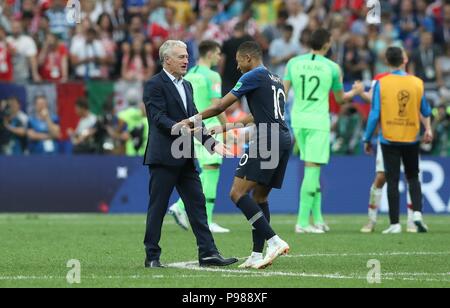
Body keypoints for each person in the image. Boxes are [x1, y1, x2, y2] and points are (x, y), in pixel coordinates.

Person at [176, 41, 291, 270]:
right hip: (283, 138)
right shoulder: (275, 79)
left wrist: (191, 120)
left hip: (266, 139)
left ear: (248, 58)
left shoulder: (252, 77)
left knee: (237, 193)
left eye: (239, 62)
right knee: (260, 198)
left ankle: (274, 241)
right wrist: (226, 128)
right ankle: (257, 255)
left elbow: (219, 106)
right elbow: (258, 115)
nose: (237, 67)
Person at [142, 40, 237, 268]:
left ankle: (208, 253)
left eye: (186, 56)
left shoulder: (187, 86)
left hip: (186, 156)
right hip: (164, 157)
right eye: (181, 57)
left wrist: (211, 143)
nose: (186, 60)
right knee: (158, 207)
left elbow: (196, 119)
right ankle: (152, 256)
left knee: (197, 204)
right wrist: (181, 127)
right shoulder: (154, 85)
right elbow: (158, 118)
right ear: (167, 60)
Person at [283, 28, 364, 234]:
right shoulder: (333, 68)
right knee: (312, 168)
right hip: (318, 121)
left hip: (298, 121)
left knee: (313, 170)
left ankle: (317, 218)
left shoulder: (293, 63)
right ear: (327, 44)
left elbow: (282, 92)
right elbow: (339, 99)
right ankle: (302, 222)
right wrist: (354, 92)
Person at [363, 46, 433, 234]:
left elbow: (374, 113)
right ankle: (417, 213)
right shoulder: (417, 83)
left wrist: (366, 138)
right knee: (413, 177)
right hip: (411, 137)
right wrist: (428, 128)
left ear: (386, 61)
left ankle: (394, 224)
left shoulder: (381, 83)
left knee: (392, 180)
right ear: (404, 60)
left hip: (389, 138)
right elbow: (425, 110)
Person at [168, 40, 230, 233]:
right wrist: (226, 127)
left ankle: (184, 207)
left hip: (191, 128)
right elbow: (217, 105)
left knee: (203, 172)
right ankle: (192, 212)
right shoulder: (212, 75)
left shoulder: (189, 74)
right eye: (218, 53)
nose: (220, 57)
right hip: (209, 128)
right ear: (210, 53)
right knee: (211, 172)